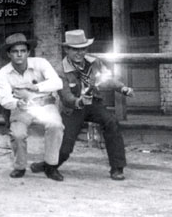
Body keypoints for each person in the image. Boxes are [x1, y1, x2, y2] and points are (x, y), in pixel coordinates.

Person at [31, 29, 133, 180]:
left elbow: (107, 79)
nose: (79, 53)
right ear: (66, 50)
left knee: (111, 122)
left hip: (94, 103)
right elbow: (65, 97)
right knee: (65, 144)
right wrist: (77, 101)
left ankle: (117, 168)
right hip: (73, 108)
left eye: (83, 49)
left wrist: (122, 88)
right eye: (74, 49)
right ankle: (50, 165)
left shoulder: (95, 62)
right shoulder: (60, 71)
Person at [0, 33, 65, 181]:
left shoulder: (40, 63)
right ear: (9, 54)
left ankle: (51, 166)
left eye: (22, 51)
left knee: (56, 126)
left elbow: (58, 83)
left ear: (28, 52)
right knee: (18, 134)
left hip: (44, 103)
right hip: (21, 107)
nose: (19, 54)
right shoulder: (3, 73)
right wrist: (16, 103)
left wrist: (35, 87)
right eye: (14, 51)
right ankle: (20, 166)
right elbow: (4, 98)